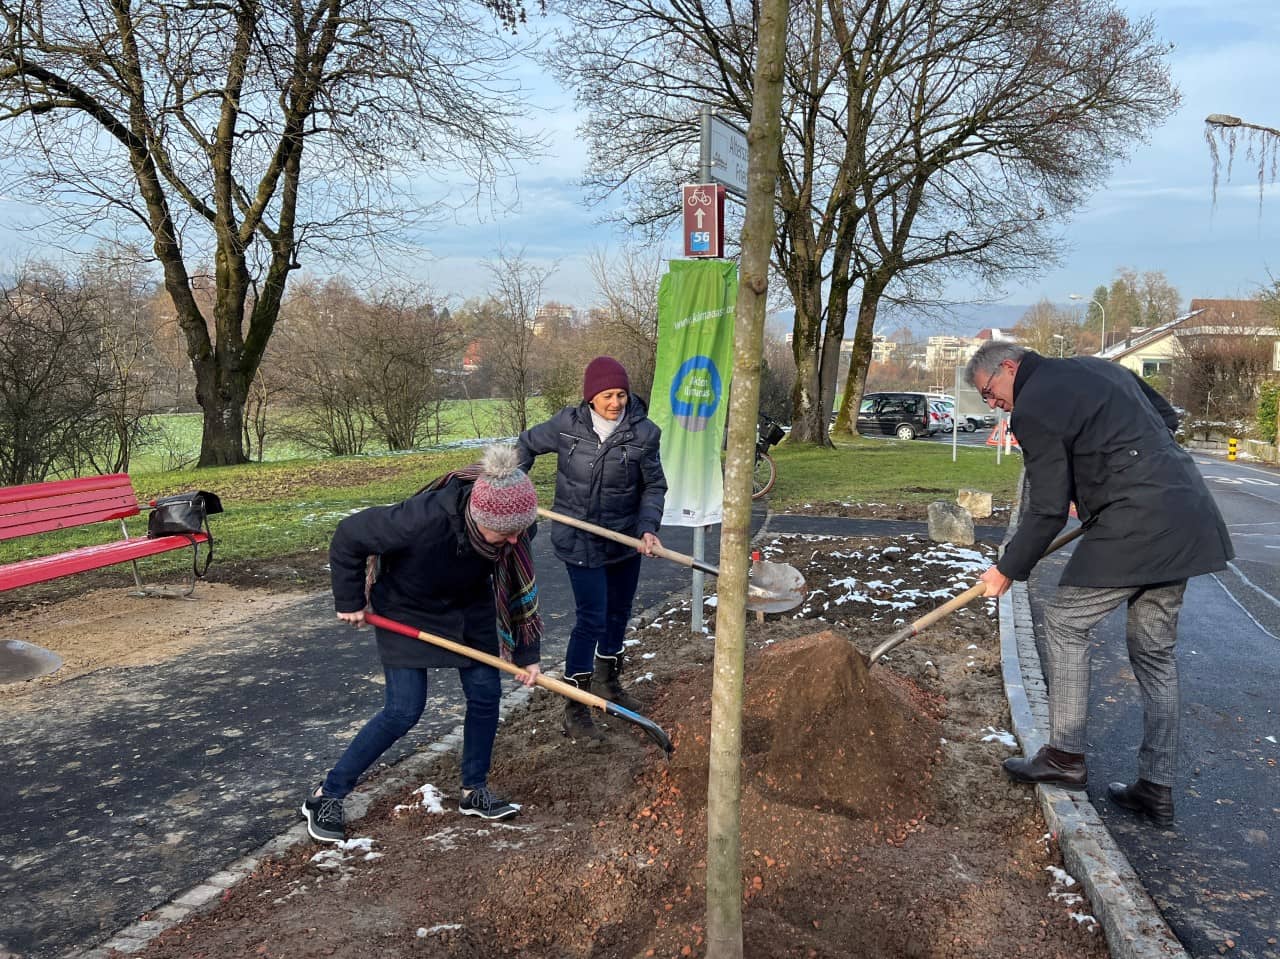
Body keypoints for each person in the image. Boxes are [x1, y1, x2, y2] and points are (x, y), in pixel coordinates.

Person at [967, 341, 1232, 829]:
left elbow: (1046, 509)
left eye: (989, 391)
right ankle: (1156, 787)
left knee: (1065, 622)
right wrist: (1104, 478)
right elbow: (1166, 421)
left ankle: (1064, 756)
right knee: (1154, 653)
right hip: (1186, 513)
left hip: (1137, 522)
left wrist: (1007, 568)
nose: (993, 404)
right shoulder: (1098, 369)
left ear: (1008, 367)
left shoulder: (1035, 404)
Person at [301, 444, 543, 844]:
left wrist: (527, 655)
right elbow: (349, 537)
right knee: (403, 710)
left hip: (471, 608)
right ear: (480, 517)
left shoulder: (514, 528)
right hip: (407, 608)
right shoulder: (422, 520)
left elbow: (518, 590)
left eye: (520, 530)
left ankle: (473, 790)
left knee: (485, 694)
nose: (516, 540)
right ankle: (327, 794)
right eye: (506, 533)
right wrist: (350, 600)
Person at [518, 355, 667, 741]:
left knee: (619, 613)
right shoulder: (567, 426)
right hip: (579, 538)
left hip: (625, 538)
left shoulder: (644, 434)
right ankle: (576, 704)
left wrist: (648, 528)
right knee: (592, 618)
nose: (615, 403)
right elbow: (526, 445)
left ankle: (608, 682)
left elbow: (654, 486)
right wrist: (513, 484)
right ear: (590, 398)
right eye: (606, 396)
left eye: (620, 394)